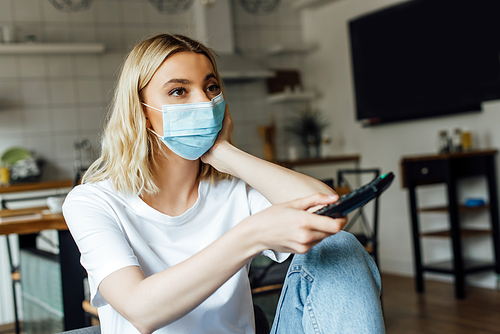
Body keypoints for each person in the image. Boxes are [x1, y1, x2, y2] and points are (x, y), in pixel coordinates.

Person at [62, 34, 385, 334]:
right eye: (178, 91)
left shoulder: (234, 192)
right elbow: (140, 309)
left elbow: (324, 212)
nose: (203, 101)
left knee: (340, 246)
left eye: (211, 87)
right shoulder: (91, 202)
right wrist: (252, 234)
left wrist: (225, 153)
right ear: (142, 111)